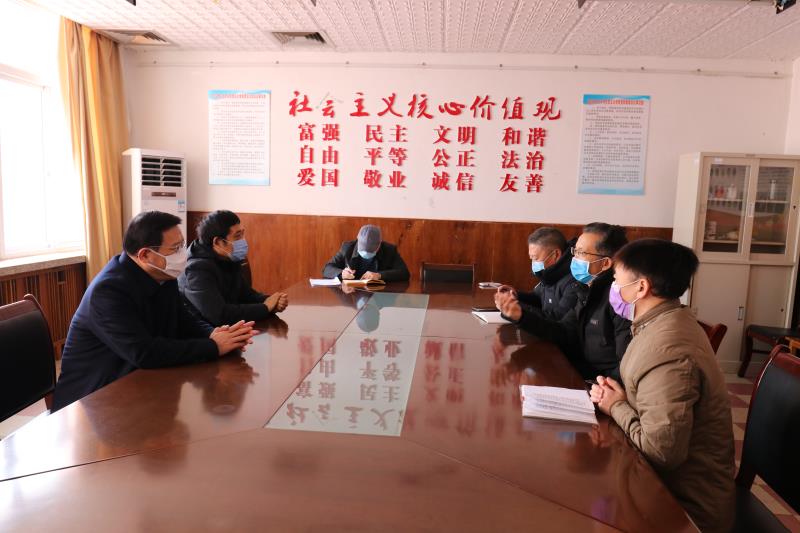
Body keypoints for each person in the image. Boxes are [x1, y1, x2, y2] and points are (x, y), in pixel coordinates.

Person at [590, 239, 734, 533]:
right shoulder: (660, 322)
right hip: (653, 482)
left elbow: (661, 453)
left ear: (641, 287)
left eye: (616, 279)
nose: (613, 288)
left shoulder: (669, 351)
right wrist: (618, 398)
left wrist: (616, 406)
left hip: (681, 506)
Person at [52, 211, 256, 411]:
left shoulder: (162, 275)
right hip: (92, 401)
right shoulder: (108, 292)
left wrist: (213, 333)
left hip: (138, 386)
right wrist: (213, 346)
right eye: (175, 248)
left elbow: (183, 320)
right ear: (145, 255)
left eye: (182, 245)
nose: (182, 254)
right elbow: (144, 352)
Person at [496, 222, 630, 382]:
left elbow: (625, 365)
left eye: (581, 253)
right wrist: (521, 316)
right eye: (575, 251)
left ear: (606, 263)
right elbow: (563, 331)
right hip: (578, 374)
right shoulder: (586, 290)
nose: (574, 258)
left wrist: (600, 387)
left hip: (598, 385)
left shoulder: (620, 301)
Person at [179, 210, 288, 326]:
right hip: (204, 332)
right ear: (218, 242)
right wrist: (265, 307)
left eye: (242, 234)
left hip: (227, 328)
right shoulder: (196, 269)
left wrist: (273, 300)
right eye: (237, 236)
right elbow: (220, 315)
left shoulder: (228, 257)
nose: (243, 240)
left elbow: (246, 295)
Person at [498, 227, 584, 321]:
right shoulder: (549, 272)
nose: (533, 263)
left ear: (555, 255)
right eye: (531, 258)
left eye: (535, 258)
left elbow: (557, 318)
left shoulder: (575, 280)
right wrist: (515, 295)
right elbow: (538, 299)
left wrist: (516, 310)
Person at [323, 224, 410, 282]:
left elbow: (404, 273)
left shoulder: (389, 250)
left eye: (370, 250)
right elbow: (327, 268)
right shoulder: (347, 248)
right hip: (352, 293)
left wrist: (379, 275)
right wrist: (341, 273)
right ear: (358, 239)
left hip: (379, 295)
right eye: (363, 249)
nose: (366, 253)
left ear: (379, 244)